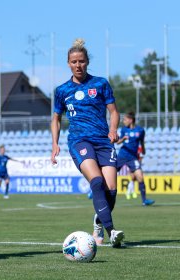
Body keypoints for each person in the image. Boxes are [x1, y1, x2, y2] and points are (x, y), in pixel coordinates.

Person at [51, 38, 124, 247]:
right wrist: (55, 144)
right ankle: (111, 231)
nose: (78, 65)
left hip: (103, 141)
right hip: (79, 141)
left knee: (111, 191)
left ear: (87, 62)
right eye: (74, 62)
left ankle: (98, 220)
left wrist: (112, 130)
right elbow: (55, 118)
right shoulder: (62, 90)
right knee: (97, 182)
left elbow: (114, 112)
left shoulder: (100, 83)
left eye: (81, 61)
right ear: (68, 63)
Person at [116, 112, 155, 206]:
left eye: (125, 119)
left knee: (140, 176)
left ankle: (144, 200)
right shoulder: (124, 130)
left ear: (130, 120)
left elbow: (142, 142)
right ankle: (96, 191)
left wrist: (143, 151)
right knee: (111, 173)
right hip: (122, 155)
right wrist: (123, 139)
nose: (123, 121)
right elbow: (118, 142)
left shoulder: (140, 130)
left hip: (133, 157)